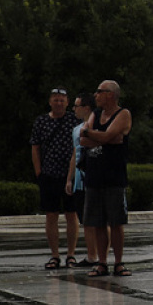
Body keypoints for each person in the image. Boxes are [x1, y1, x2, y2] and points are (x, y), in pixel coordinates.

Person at [81, 80, 133, 277]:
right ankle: (102, 262)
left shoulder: (123, 114)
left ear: (111, 94)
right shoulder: (95, 114)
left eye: (99, 92)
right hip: (94, 175)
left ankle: (118, 262)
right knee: (98, 222)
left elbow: (106, 136)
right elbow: (83, 139)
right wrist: (101, 136)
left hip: (114, 176)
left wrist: (96, 135)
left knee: (116, 221)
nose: (96, 95)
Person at [31, 87, 81, 269]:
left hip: (70, 173)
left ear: (67, 103)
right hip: (49, 173)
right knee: (51, 215)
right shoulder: (41, 121)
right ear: (50, 101)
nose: (59, 103)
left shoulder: (74, 120)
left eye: (62, 100)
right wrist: (39, 172)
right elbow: (35, 146)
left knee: (71, 214)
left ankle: (71, 254)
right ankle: (54, 255)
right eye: (55, 99)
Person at [65, 93, 99, 268]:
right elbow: (74, 154)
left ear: (86, 107)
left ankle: (100, 254)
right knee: (85, 219)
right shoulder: (76, 129)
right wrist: (69, 179)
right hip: (79, 178)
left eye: (77, 106)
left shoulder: (96, 125)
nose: (74, 109)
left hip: (92, 177)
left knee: (98, 219)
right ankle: (91, 254)